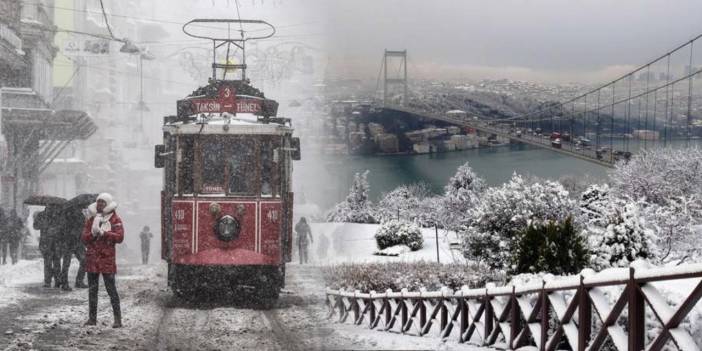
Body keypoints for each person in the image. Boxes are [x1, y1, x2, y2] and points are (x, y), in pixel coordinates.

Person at [81, 193, 124, 328]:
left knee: (111, 290)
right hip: (93, 259)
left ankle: (118, 319)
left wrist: (104, 233)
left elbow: (120, 237)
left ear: (108, 204)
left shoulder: (115, 219)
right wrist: (92, 234)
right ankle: (92, 319)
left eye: (103, 202)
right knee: (92, 291)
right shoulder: (91, 219)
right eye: (98, 202)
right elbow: (84, 238)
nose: (100, 205)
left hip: (107, 259)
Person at [57, 207, 88, 290]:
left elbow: (83, 228)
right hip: (69, 242)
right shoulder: (67, 215)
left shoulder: (81, 215)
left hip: (77, 242)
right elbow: (63, 228)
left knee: (85, 261)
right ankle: (65, 283)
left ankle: (78, 281)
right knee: (67, 263)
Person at [35, 206, 62, 288]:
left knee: (56, 262)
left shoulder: (58, 215)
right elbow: (35, 226)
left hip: (55, 242)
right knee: (48, 262)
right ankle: (48, 281)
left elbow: (62, 227)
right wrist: (43, 225)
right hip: (46, 242)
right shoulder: (41, 215)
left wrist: (56, 229)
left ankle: (56, 280)